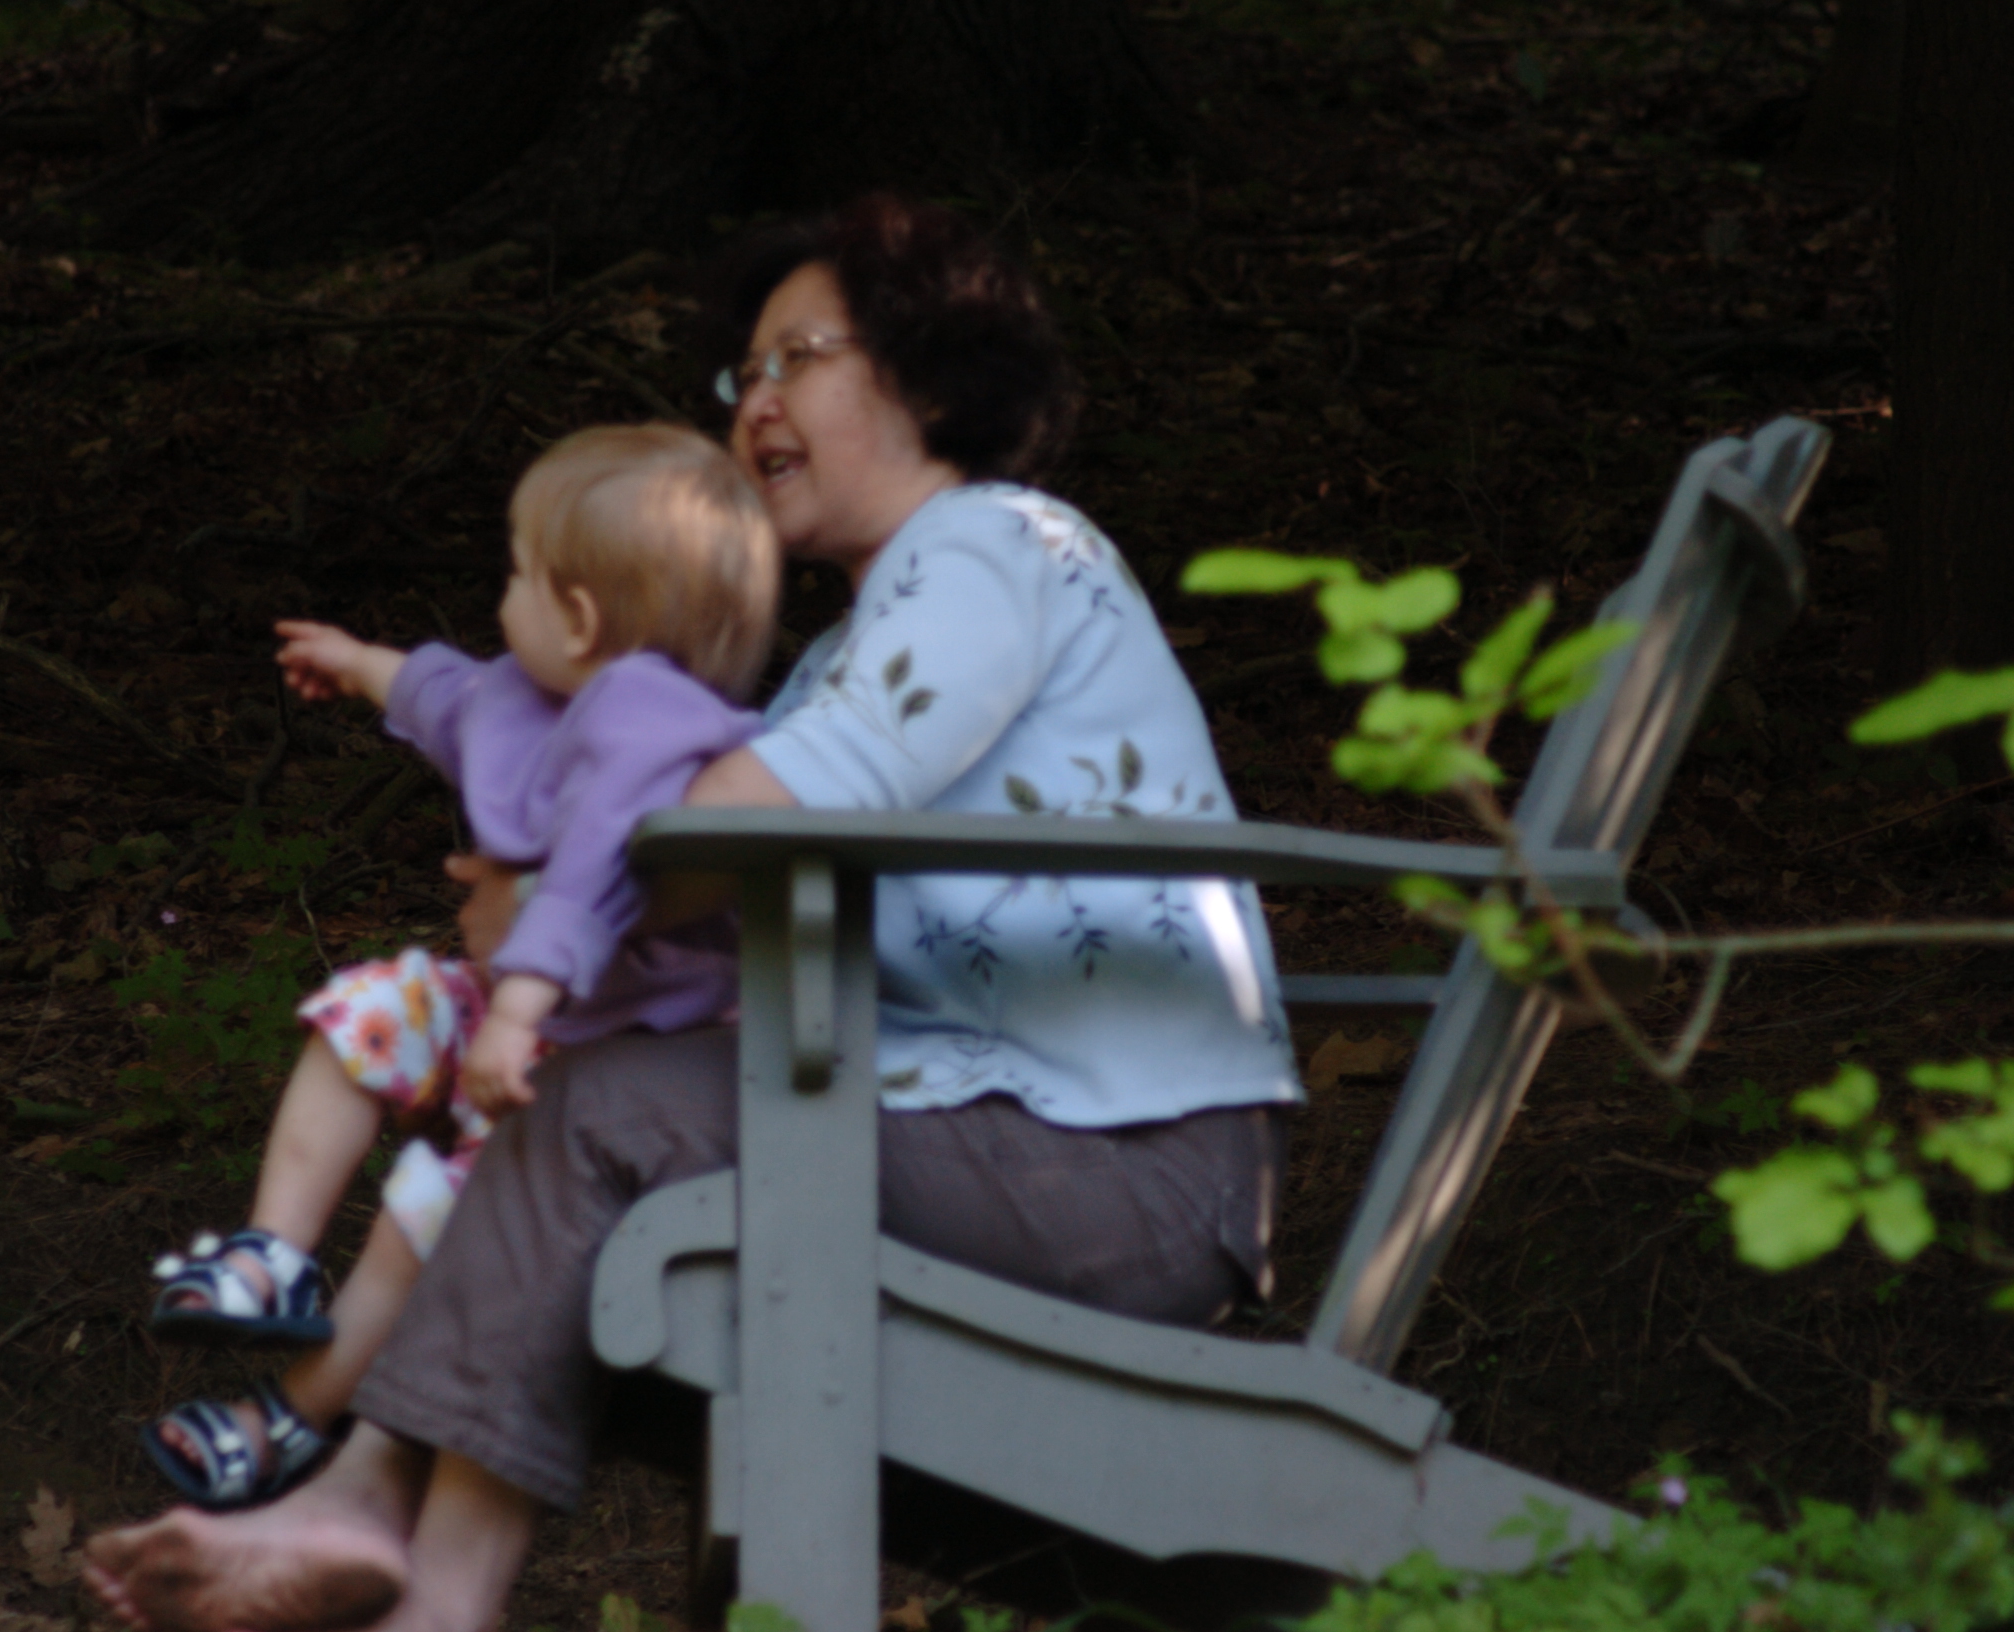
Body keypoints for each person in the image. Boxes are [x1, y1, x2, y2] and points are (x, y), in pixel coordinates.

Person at [85, 194, 1302, 1632]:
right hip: (976, 1131)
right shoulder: (842, 653)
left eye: (801, 357)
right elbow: (714, 873)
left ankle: (387, 1536)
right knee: (586, 1095)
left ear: (931, 370)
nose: (755, 402)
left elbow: (745, 818)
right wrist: (557, 928)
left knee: (596, 1104)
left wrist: (552, 912)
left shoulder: (998, 543)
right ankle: (384, 1535)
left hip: (1120, 1167)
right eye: (745, 371)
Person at [136, 423, 777, 1513]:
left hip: (617, 1058)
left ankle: (292, 1416)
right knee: (372, 1011)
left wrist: (516, 1011)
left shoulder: (652, 728)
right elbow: (454, 698)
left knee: (421, 1218)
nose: (501, 596)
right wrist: (357, 665)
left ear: (580, 619)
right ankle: (270, 1254)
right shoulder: (549, 693)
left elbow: (588, 878)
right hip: (528, 1023)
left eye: (517, 575)